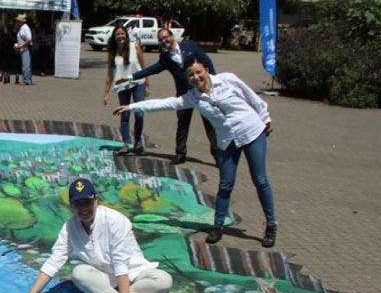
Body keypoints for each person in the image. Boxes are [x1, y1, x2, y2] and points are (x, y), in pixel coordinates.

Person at [114, 59, 277, 247]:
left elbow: (252, 97)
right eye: (191, 75)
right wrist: (132, 107)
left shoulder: (227, 80)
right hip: (227, 140)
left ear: (206, 70)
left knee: (260, 180)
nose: (196, 77)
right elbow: (166, 103)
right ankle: (217, 226)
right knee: (225, 184)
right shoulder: (192, 97)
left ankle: (271, 225)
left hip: (252, 132)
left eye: (198, 72)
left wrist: (266, 118)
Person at [5, 178, 172, 293]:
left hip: (134, 275)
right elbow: (54, 261)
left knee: (163, 281)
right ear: (71, 205)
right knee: (79, 273)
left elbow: (120, 263)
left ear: (96, 201)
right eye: (78, 203)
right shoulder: (69, 227)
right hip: (105, 279)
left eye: (87, 202)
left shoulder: (114, 220)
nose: (83, 208)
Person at [131, 28, 217, 166]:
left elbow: (207, 61)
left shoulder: (190, 46)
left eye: (166, 37)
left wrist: (213, 82)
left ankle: (218, 155)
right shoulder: (165, 58)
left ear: (172, 36)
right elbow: (152, 69)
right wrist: (132, 77)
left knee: (210, 124)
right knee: (182, 125)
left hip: (201, 92)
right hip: (184, 95)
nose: (165, 41)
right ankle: (180, 154)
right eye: (161, 40)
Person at [104, 25, 149, 156]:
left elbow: (144, 68)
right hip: (122, 87)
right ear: (114, 37)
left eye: (122, 34)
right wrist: (106, 93)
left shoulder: (135, 47)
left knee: (139, 114)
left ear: (126, 35)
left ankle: (138, 143)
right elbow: (109, 75)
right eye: (117, 34)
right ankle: (125, 143)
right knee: (125, 115)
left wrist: (147, 84)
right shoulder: (112, 52)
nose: (120, 36)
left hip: (137, 84)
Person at [14, 14, 33, 86]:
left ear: (20, 21)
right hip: (23, 48)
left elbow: (29, 39)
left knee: (26, 65)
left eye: (17, 21)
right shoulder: (21, 28)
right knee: (25, 64)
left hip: (26, 49)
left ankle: (27, 80)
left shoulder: (25, 28)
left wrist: (20, 46)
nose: (16, 22)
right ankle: (27, 79)